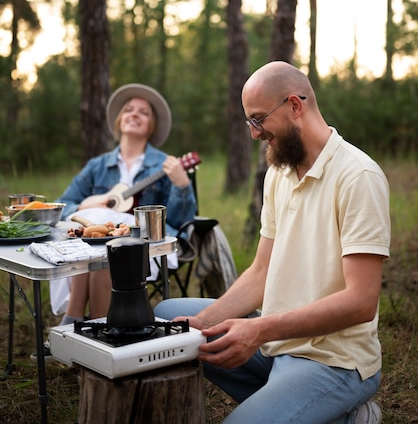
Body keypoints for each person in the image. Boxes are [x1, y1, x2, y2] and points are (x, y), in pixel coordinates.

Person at [155, 61, 390, 424]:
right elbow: (262, 271)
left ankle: (346, 413)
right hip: (278, 341)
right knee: (168, 322)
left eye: (258, 119)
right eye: (250, 122)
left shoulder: (358, 176)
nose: (254, 133)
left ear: (295, 106)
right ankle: (316, 411)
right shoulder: (278, 174)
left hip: (335, 361)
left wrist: (259, 329)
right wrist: (203, 322)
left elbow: (361, 303)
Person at [46, 83, 196, 338]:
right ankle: (96, 330)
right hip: (94, 244)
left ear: (152, 125)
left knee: (111, 251)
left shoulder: (165, 165)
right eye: (129, 109)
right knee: (99, 243)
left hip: (143, 245)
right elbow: (60, 207)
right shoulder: (98, 166)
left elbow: (179, 222)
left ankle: (79, 325)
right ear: (119, 119)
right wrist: (87, 205)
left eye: (143, 112)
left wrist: (182, 185)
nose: (134, 114)